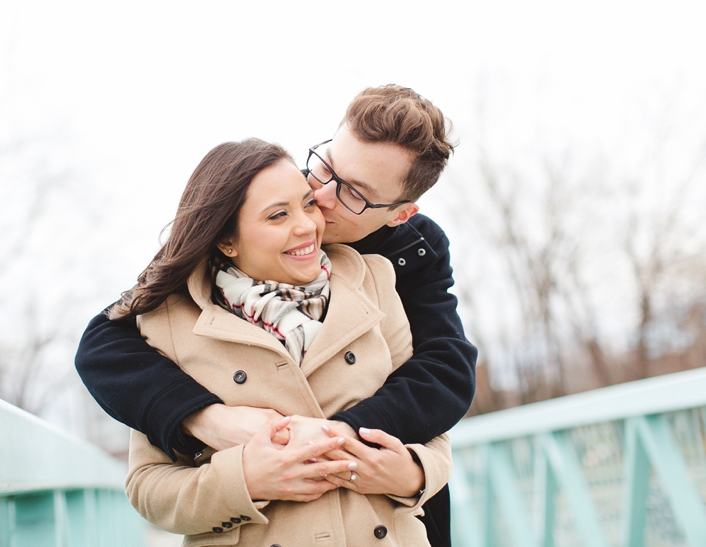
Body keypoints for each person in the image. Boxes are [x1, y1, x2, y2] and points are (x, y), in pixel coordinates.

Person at [75, 84, 477, 546]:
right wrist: (206, 419)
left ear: (400, 215)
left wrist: (344, 445)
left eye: (355, 195)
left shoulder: (403, 259)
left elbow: (444, 372)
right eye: (325, 166)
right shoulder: (237, 223)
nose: (320, 198)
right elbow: (108, 341)